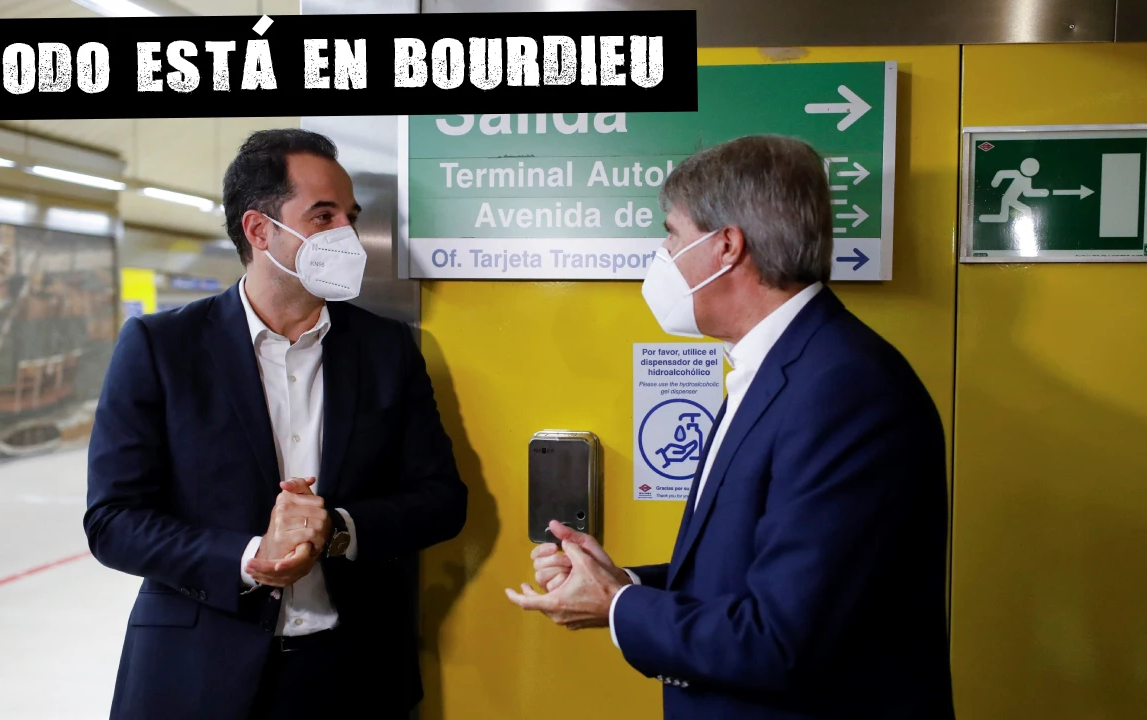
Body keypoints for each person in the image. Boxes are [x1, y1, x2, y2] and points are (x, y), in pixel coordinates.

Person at [506, 134, 955, 719]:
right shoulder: (783, 364)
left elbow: (781, 638)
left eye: (671, 233)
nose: (661, 254)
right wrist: (620, 582)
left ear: (726, 247)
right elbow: (752, 572)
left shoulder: (845, 389)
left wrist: (616, 606)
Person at [85, 128, 467, 719]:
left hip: (352, 676)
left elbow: (442, 499)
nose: (347, 233)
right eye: (323, 216)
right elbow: (114, 521)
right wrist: (248, 556)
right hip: (198, 676)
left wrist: (337, 529)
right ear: (259, 230)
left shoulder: (386, 349)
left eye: (350, 215)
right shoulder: (162, 348)